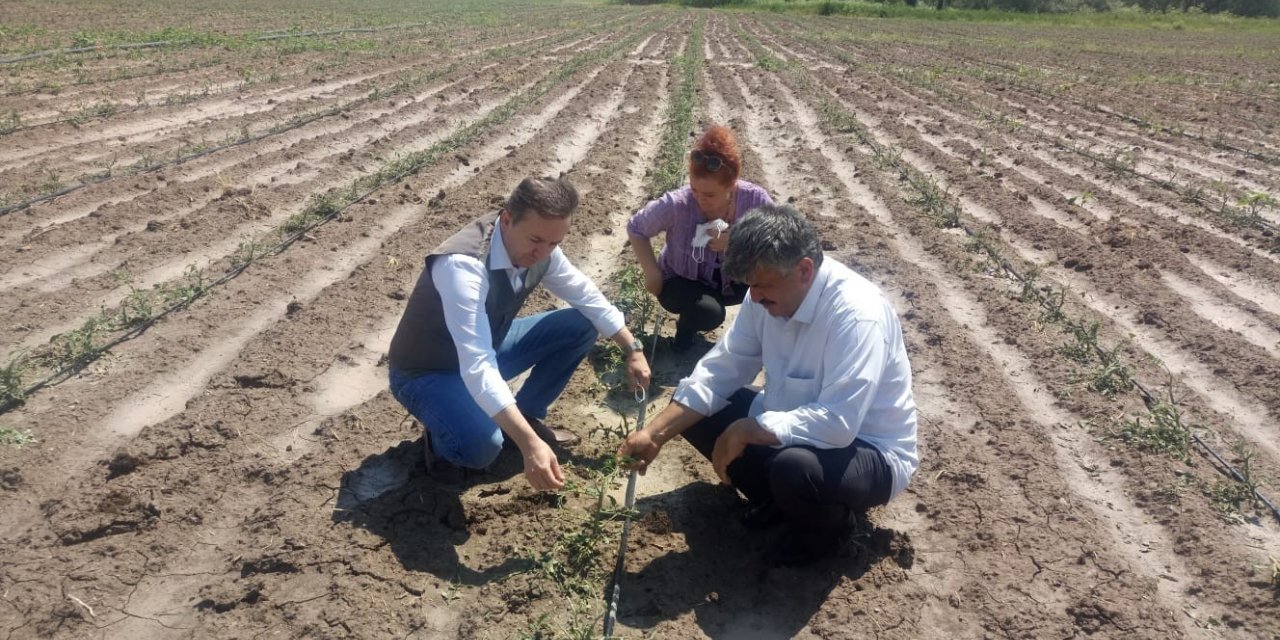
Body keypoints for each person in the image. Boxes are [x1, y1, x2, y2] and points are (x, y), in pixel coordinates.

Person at [617, 204, 918, 565]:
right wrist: (654, 433)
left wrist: (748, 429)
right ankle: (779, 505)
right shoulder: (764, 294)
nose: (754, 297)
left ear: (804, 270)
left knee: (794, 471)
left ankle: (829, 534)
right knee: (699, 414)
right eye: (750, 287)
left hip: (866, 448)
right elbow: (724, 367)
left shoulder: (856, 316)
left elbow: (839, 423)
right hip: (790, 420)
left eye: (762, 286)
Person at [389, 176, 651, 492]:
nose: (543, 252)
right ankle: (442, 441)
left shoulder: (542, 249)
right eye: (536, 240)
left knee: (581, 324)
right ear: (507, 219)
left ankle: (526, 414)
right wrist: (529, 445)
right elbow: (477, 364)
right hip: (428, 370)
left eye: (554, 243)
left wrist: (631, 347)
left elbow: (585, 294)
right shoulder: (464, 266)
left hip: (491, 343)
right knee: (482, 447)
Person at [627, 124, 774, 351]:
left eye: (710, 194)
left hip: (733, 279)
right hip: (682, 281)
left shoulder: (755, 200)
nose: (700, 199)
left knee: (775, 283)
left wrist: (737, 241)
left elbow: (774, 237)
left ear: (732, 185)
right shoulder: (677, 204)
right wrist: (652, 273)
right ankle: (685, 332)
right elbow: (636, 227)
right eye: (694, 189)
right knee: (709, 312)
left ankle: (764, 342)